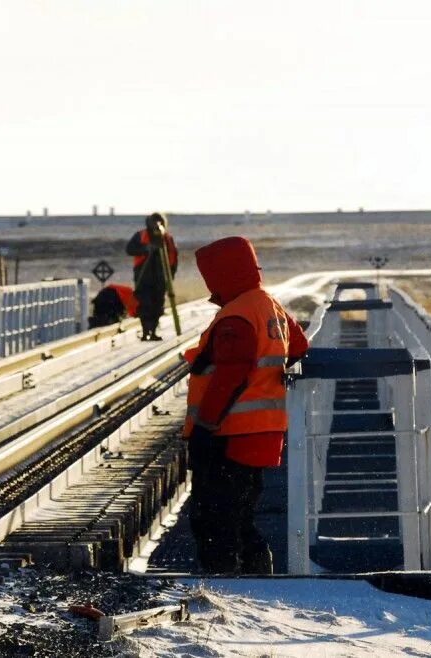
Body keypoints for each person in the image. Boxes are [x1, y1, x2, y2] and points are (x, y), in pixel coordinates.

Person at [182, 236, 309, 574]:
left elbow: (230, 377)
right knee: (239, 512)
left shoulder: (236, 316)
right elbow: (298, 345)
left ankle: (224, 582)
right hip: (263, 431)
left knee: (213, 516)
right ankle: (255, 573)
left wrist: (205, 428)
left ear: (222, 275)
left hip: (230, 434)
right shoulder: (269, 305)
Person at [125, 212, 177, 341]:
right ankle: (145, 332)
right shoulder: (141, 235)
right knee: (144, 304)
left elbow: (174, 258)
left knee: (157, 305)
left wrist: (171, 276)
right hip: (143, 276)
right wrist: (146, 249)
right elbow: (129, 249)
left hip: (161, 277)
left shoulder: (167, 238)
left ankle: (152, 332)